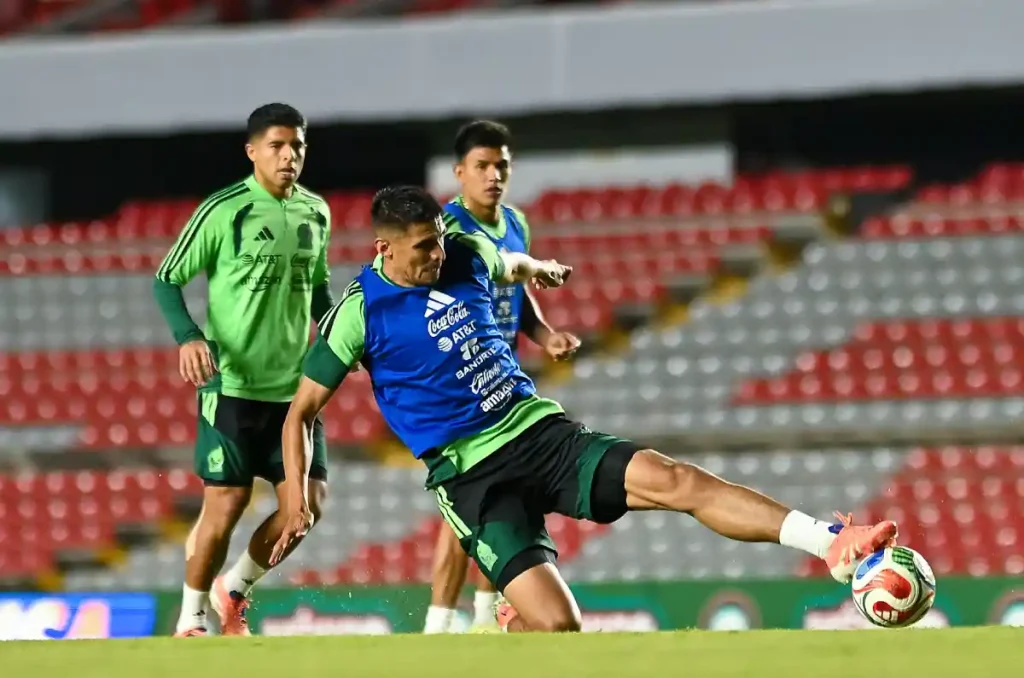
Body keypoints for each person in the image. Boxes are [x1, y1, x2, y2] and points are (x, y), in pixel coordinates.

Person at [273, 185, 898, 633]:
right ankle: (506, 632)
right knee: (558, 629)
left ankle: (833, 542)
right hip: (471, 477)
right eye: (419, 250)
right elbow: (299, 412)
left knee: (675, 479)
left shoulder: (463, 251)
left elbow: (503, 262)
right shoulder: (359, 314)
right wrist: (296, 497)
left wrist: (534, 268)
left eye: (436, 242)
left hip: (536, 429)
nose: (434, 256)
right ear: (384, 248)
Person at [152, 103, 334, 637]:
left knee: (309, 507)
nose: (289, 156)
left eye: (298, 146)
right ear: (252, 151)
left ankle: (232, 591)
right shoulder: (223, 210)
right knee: (227, 504)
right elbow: (166, 279)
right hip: (231, 388)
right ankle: (191, 619)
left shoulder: (316, 213)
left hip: (294, 395)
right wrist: (188, 337)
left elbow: (318, 290)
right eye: (277, 146)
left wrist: (337, 332)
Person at [424, 120, 581, 634]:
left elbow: (515, 292)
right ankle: (440, 625)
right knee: (469, 505)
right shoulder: (443, 230)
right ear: (459, 173)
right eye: (482, 167)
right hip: (462, 383)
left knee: (509, 496)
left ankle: (486, 614)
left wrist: (546, 334)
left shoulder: (515, 222)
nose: (494, 176)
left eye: (502, 166)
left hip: (504, 381)